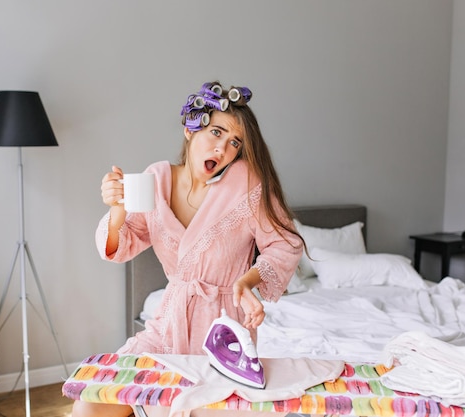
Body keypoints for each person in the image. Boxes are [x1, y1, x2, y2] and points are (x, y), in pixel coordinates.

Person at [72, 81, 304, 417]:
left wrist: (246, 281)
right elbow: (118, 247)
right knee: (91, 404)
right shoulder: (157, 180)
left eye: (234, 142)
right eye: (215, 132)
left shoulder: (246, 182)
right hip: (167, 327)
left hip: (223, 337)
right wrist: (118, 207)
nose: (222, 148)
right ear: (189, 129)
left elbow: (285, 244)